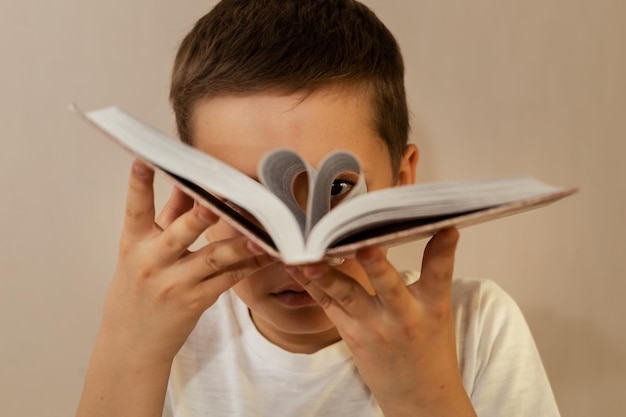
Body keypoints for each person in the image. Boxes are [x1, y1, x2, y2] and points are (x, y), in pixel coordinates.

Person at [75, 1, 561, 416]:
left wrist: (422, 398)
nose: (297, 257)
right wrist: (126, 347)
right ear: (193, 194)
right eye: (243, 201)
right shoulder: (160, 328)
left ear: (402, 182)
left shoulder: (478, 325)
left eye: (337, 189)